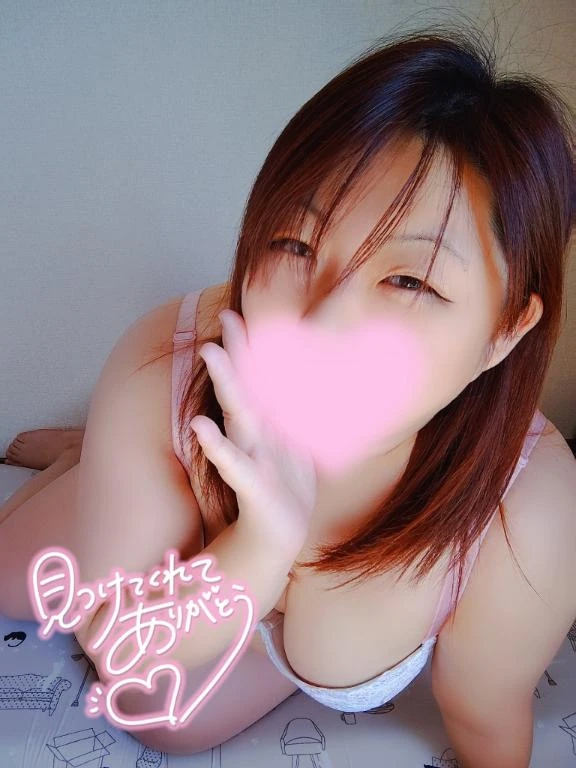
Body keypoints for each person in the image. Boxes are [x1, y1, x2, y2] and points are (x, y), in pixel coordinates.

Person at [1, 24, 575, 764]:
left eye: (410, 281)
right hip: (185, 518)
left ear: (504, 330)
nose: (321, 326)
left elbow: (486, 716)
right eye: (297, 245)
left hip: (249, 626)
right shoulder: (165, 365)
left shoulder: (529, 510)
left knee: (181, 723)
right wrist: (260, 546)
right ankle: (89, 459)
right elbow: (128, 662)